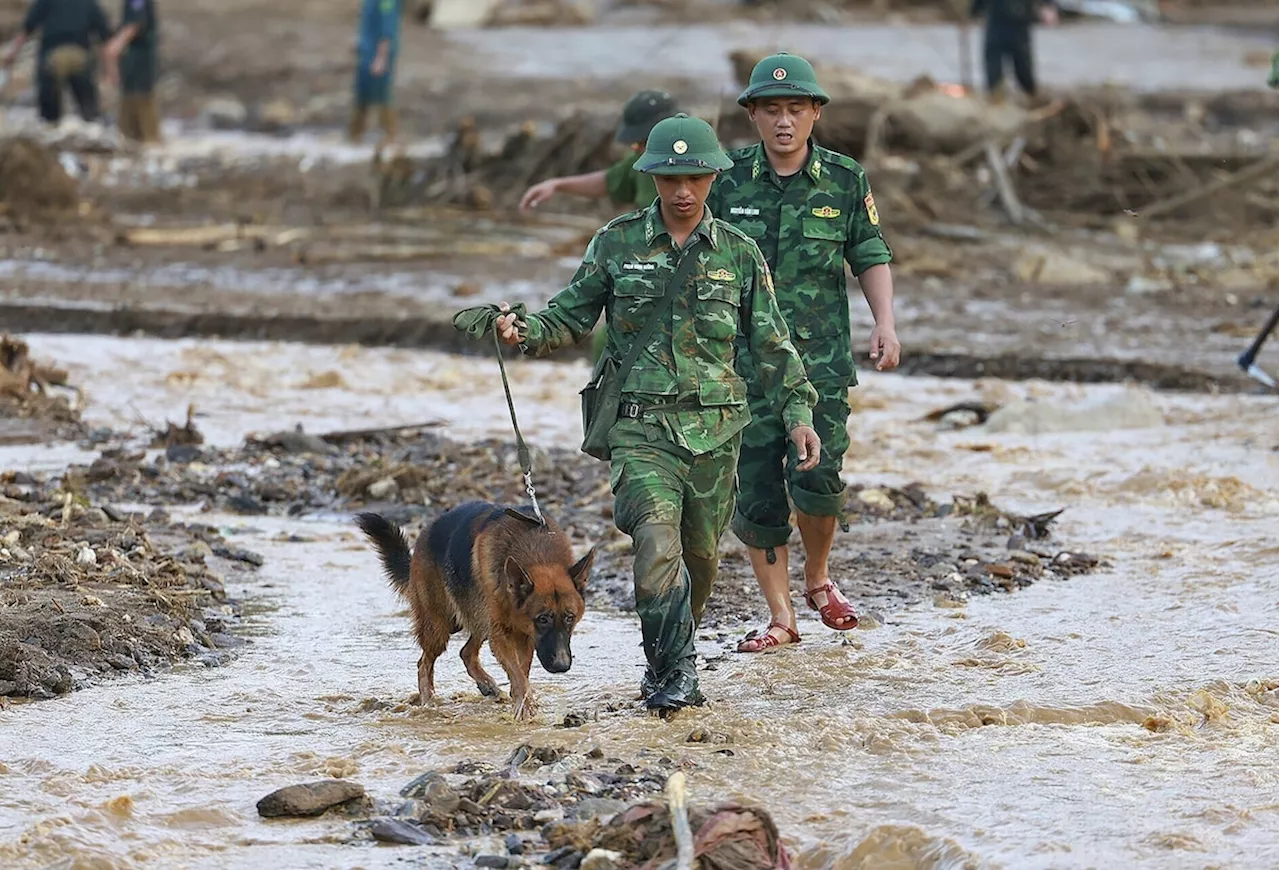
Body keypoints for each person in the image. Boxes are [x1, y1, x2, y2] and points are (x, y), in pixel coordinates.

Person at [492, 114, 821, 713]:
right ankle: (677, 679)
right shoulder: (616, 243)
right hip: (641, 430)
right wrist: (524, 331)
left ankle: (665, 662)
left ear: (714, 176)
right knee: (655, 548)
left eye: (695, 176)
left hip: (718, 435)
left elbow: (772, 344)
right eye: (670, 178)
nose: (683, 190)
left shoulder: (740, 255)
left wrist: (800, 412)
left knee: (698, 558)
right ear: (651, 177)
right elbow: (568, 315)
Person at [706, 52, 901, 653]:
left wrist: (885, 324)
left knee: (819, 483)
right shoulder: (726, 178)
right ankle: (782, 617)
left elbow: (868, 253)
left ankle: (817, 579)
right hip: (742, 366)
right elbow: (689, 254)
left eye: (795, 108)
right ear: (753, 116)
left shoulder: (845, 180)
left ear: (815, 113)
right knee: (758, 489)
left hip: (818, 365)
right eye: (771, 109)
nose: (783, 121)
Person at [519, 89, 679, 214]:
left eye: (643, 142)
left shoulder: (698, 167)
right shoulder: (642, 163)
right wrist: (557, 185)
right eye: (634, 144)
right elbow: (609, 181)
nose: (637, 149)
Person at [1, 0, 112, 125]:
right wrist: (111, 73)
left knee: (49, 114)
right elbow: (105, 40)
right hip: (79, 57)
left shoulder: (46, 2)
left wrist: (12, 53)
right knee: (89, 111)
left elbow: (26, 30)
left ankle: (51, 126)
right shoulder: (89, 4)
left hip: (52, 57)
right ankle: (91, 122)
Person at [970, 0, 1059, 101]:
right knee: (994, 67)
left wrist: (1049, 7)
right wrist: (973, 12)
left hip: (1019, 22)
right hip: (997, 22)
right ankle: (995, 95)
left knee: (1023, 65)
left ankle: (1029, 93)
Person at [102, 0, 160, 143]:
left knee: (141, 101)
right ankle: (129, 140)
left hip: (140, 62)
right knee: (128, 101)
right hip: (130, 67)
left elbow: (135, 23)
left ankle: (149, 141)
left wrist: (116, 44)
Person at [349, 0, 401, 144]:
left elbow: (387, 29)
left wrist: (381, 57)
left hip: (378, 55)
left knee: (382, 95)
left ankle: (390, 135)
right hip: (367, 52)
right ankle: (355, 134)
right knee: (362, 93)